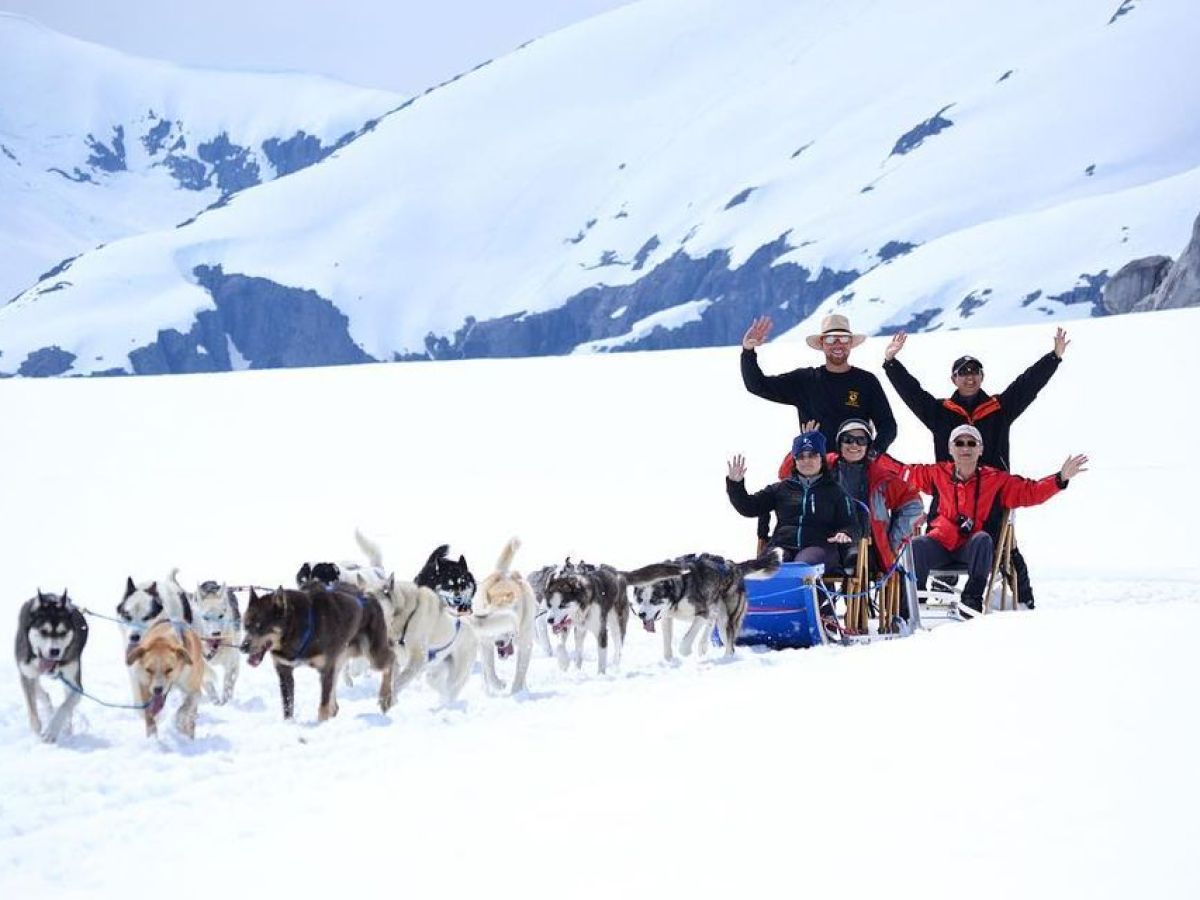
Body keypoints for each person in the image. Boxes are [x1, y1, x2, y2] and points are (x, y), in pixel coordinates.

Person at [880, 327, 1070, 608]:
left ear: (981, 377)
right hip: (948, 490)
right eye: (963, 373)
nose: (969, 378)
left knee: (1003, 547)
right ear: (953, 378)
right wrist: (891, 364)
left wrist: (1053, 358)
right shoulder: (940, 412)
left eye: (974, 372)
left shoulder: (999, 409)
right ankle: (936, 597)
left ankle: (1023, 600)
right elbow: (913, 395)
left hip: (994, 494)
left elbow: (1027, 385)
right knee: (942, 534)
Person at [880, 424, 1087, 615]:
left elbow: (1030, 491)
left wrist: (1060, 479)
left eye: (971, 443)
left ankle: (971, 600)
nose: (965, 448)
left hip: (973, 551)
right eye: (959, 443)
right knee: (917, 545)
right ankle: (912, 605)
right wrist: (872, 453)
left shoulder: (996, 479)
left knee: (983, 539)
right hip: (941, 544)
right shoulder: (937, 473)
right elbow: (902, 471)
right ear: (951, 449)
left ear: (980, 449)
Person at [741, 313, 897, 456]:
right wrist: (748, 351)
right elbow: (757, 385)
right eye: (830, 339)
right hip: (815, 469)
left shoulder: (866, 381)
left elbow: (887, 425)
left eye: (843, 338)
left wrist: (874, 452)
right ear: (822, 343)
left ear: (850, 343)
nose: (837, 344)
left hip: (857, 471)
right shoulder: (804, 380)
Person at [726, 431, 856, 569]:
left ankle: (808, 590)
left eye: (812, 455)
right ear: (795, 460)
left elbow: (851, 523)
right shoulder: (781, 489)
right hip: (782, 545)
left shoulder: (835, 491)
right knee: (772, 563)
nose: (806, 461)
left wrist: (845, 533)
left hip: (819, 546)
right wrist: (735, 485)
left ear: (821, 458)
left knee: (801, 565)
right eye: (801, 456)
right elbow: (749, 508)